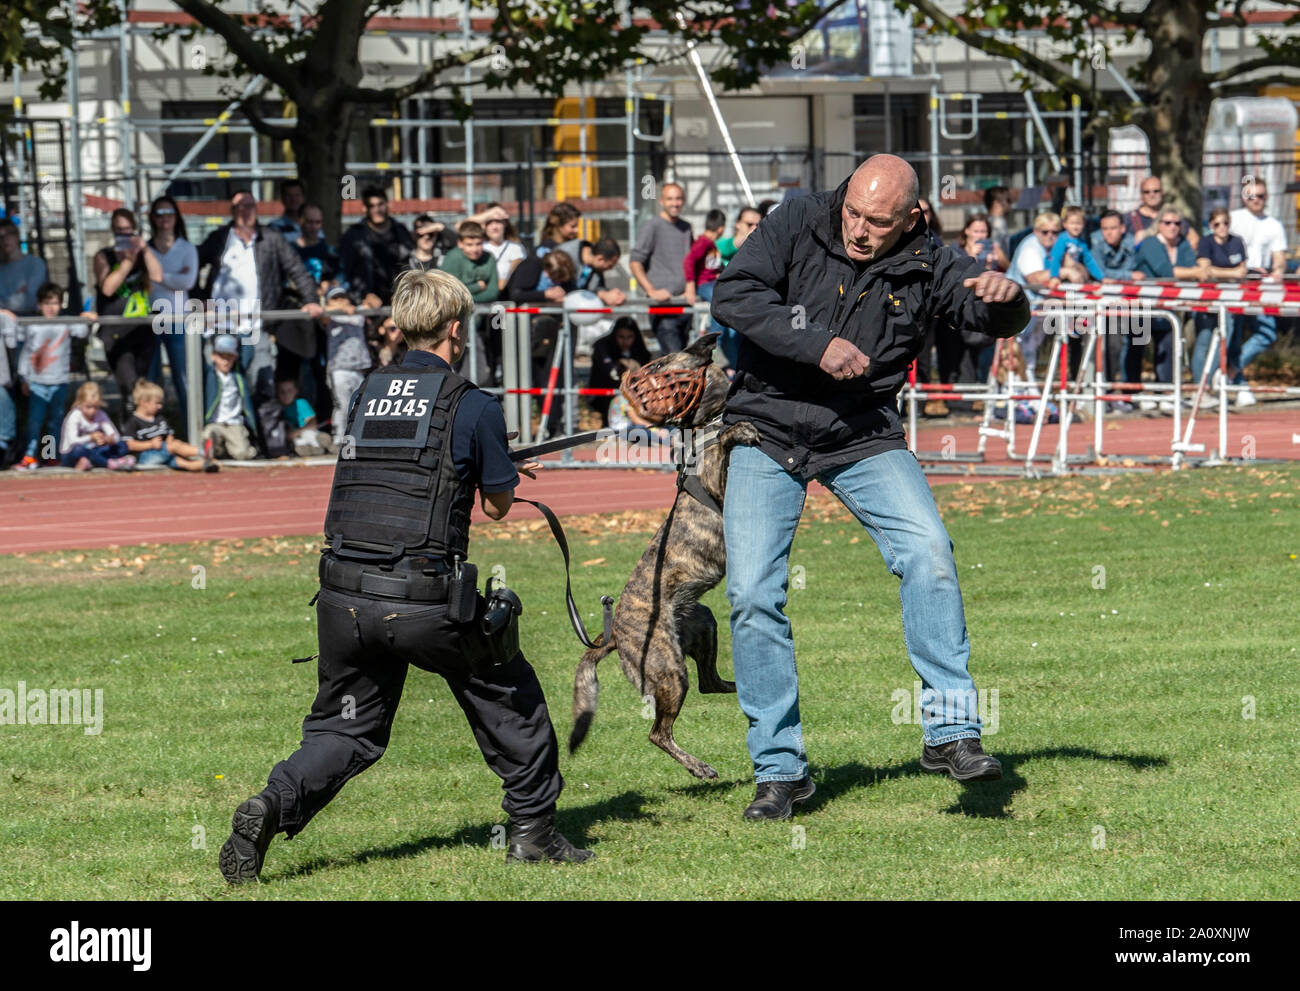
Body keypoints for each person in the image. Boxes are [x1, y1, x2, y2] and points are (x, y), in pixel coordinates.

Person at [219, 268, 592, 883]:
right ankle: (533, 831)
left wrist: (485, 458)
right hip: (423, 600)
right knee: (511, 696)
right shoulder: (473, 403)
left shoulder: (366, 393)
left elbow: (398, 465)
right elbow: (494, 505)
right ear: (455, 328)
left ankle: (271, 804)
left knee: (346, 728)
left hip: (343, 596)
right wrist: (496, 466)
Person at [710, 154, 1029, 820]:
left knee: (930, 555)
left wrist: (1010, 301)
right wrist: (816, 342)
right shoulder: (797, 219)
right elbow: (734, 293)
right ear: (844, 193)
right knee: (751, 594)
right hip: (766, 426)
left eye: (877, 221)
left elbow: (980, 304)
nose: (859, 229)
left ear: (911, 216)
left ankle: (950, 734)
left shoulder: (929, 260)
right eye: (854, 211)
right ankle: (780, 770)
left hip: (862, 432)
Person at [196, 191, 322, 407]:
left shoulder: (271, 238)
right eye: (241, 206)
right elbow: (192, 267)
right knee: (219, 386)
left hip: (257, 325)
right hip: (220, 326)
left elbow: (297, 269)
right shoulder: (220, 238)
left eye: (251, 206)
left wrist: (311, 300)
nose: (246, 211)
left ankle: (260, 438)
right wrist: (200, 302)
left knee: (261, 384)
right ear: (233, 211)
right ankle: (220, 436)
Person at [95, 207, 164, 419]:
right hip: (116, 333)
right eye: (119, 230)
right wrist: (126, 262)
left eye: (128, 230)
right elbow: (107, 288)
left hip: (142, 331)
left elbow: (158, 276)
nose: (124, 235)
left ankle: (140, 435)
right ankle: (130, 438)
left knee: (143, 388)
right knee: (130, 387)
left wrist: (144, 250)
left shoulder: (142, 254)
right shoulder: (104, 256)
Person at [13, 282, 89, 469]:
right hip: (37, 382)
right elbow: (25, 353)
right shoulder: (32, 326)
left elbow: (82, 330)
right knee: (35, 421)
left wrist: (87, 316)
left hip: (59, 381)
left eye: (55, 303)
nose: (51, 307)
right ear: (39, 304)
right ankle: (30, 455)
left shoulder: (65, 323)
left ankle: (50, 455)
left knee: (55, 422)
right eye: (47, 303)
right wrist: (24, 378)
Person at [1230, 176, 1288, 407]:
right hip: (1234, 283)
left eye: (1260, 196)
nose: (1256, 200)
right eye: (1251, 195)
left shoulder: (1273, 225)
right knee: (1232, 336)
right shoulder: (1233, 219)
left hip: (1259, 287)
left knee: (1266, 333)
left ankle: (1231, 372)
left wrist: (1277, 272)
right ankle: (1239, 385)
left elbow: (1280, 259)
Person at [1006, 211, 1084, 376]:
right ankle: (1010, 393)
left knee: (1030, 353)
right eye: (1045, 232)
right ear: (1036, 231)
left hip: (1037, 309)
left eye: (1055, 232)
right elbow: (1034, 278)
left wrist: (1071, 265)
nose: (1050, 236)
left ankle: (1029, 392)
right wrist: (1064, 271)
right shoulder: (1030, 248)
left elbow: (1082, 273)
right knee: (1013, 355)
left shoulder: (1060, 246)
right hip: (1016, 311)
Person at [145, 195, 199, 429]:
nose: (165, 219)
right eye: (159, 214)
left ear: (176, 217)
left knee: (184, 378)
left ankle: (193, 432)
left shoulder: (187, 248)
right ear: (153, 218)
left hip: (179, 318)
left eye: (169, 213)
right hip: (151, 317)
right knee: (152, 378)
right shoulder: (146, 249)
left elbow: (187, 282)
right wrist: (173, 279)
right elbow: (147, 285)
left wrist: (158, 277)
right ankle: (153, 432)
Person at [1132, 208, 1199, 387]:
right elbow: (1165, 271)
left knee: (1168, 347)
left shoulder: (1182, 244)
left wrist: (1193, 272)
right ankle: (1130, 394)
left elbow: (1190, 267)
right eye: (1167, 223)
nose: (1172, 227)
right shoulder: (1150, 243)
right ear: (1159, 225)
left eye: (1177, 223)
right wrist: (1197, 272)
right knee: (1136, 348)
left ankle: (1164, 389)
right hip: (1142, 303)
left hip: (1167, 306)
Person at [629, 182, 693, 353]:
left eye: (678, 198)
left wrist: (690, 287)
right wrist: (651, 291)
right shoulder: (653, 225)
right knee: (675, 361)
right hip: (663, 308)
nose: (675, 203)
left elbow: (690, 262)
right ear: (661, 201)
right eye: (670, 199)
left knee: (685, 359)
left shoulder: (686, 228)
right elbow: (635, 261)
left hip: (684, 305)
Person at [1192, 207, 1248, 402]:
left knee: (1228, 337)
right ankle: (1201, 387)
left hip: (1232, 299)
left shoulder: (1237, 242)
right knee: (1205, 340)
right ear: (1210, 226)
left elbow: (1243, 269)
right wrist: (1231, 274)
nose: (1222, 228)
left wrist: (1220, 272)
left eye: (1225, 223)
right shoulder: (1206, 242)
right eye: (1217, 224)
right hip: (1209, 298)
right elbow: (1205, 270)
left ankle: (1212, 376)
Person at [1089, 209, 1145, 393]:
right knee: (1112, 345)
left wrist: (1125, 277)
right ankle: (1109, 388)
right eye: (1105, 228)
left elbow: (1139, 270)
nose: (1109, 233)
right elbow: (1101, 273)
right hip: (1109, 303)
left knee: (1138, 341)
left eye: (1113, 228)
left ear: (1122, 228)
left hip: (1133, 301)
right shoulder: (1096, 245)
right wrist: (1128, 276)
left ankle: (1132, 389)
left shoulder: (1132, 243)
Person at [439, 220, 499, 384]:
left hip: (479, 324)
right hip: (453, 322)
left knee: (479, 370)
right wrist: (477, 286)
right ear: (460, 243)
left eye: (478, 243)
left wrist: (465, 292)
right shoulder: (453, 258)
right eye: (470, 244)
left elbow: (493, 292)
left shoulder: (488, 258)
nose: (475, 249)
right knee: (452, 366)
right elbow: (449, 291)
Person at [339, 185, 414, 306]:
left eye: (380, 204)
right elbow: (345, 272)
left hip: (399, 302)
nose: (377, 209)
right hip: (366, 304)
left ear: (388, 204)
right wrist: (360, 297)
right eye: (371, 206)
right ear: (364, 208)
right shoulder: (354, 235)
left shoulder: (401, 231)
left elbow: (409, 266)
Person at [122, 379, 215, 471]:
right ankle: (203, 452)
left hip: (164, 452)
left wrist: (169, 440)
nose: (160, 406)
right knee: (175, 445)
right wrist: (150, 444)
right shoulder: (133, 422)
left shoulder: (159, 418)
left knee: (182, 462)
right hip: (145, 456)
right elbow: (130, 445)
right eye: (157, 403)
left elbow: (169, 434)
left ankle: (206, 465)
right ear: (143, 402)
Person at [321, 286, 371, 441]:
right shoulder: (332, 316)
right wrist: (341, 308)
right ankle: (339, 439)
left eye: (343, 297)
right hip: (339, 368)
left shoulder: (356, 313)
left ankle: (357, 438)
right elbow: (322, 313)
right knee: (342, 405)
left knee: (359, 405)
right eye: (335, 298)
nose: (340, 300)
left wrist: (366, 299)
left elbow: (374, 302)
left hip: (359, 368)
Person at [201, 334, 260, 461]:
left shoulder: (239, 374)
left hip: (234, 424)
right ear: (213, 356)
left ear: (236, 358)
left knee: (242, 454)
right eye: (222, 357)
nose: (226, 361)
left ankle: (238, 449)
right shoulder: (209, 375)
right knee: (209, 436)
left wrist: (235, 330)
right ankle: (217, 450)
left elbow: (249, 346)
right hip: (215, 423)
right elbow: (200, 349)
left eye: (230, 357)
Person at [587, 316, 651, 425]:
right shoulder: (602, 347)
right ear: (615, 335)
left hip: (634, 391)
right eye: (621, 337)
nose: (625, 341)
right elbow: (610, 372)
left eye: (629, 337)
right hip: (607, 391)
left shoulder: (640, 350)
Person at [59, 381, 134, 470]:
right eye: (88, 407)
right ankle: (108, 463)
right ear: (80, 403)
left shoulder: (101, 414)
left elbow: (116, 436)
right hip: (72, 453)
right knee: (79, 450)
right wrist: (91, 437)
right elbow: (72, 441)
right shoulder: (74, 416)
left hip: (95, 449)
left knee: (122, 445)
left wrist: (107, 439)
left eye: (96, 407)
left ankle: (89, 462)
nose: (92, 411)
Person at [1126, 176, 1198, 249]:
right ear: (1141, 195)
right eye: (1146, 192)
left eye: (1156, 191)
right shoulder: (1129, 218)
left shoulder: (1173, 215)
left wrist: (1180, 256)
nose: (1152, 195)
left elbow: (1194, 239)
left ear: (1162, 192)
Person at [276, 377, 337, 456]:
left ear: (296, 391)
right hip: (293, 438)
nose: (286, 394)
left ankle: (321, 442)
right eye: (282, 392)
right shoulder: (276, 408)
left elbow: (313, 424)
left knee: (308, 434)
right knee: (297, 442)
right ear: (277, 393)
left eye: (289, 391)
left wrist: (297, 432)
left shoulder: (301, 403)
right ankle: (312, 448)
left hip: (305, 432)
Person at [1046, 206, 1105, 281]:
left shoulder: (1082, 243)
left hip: (1071, 272)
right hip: (1055, 272)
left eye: (1079, 223)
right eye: (1072, 223)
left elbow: (1089, 261)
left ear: (1083, 224)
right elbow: (1056, 258)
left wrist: (1101, 277)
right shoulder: (1062, 239)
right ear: (1065, 224)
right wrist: (1054, 277)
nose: (1075, 227)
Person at [481, 206, 526, 291]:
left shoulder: (516, 248)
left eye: (498, 222)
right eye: (489, 223)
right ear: (484, 226)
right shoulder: (479, 247)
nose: (494, 227)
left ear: (505, 224)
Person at [983, 185, 1013, 256]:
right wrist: (1010, 266)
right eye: (1008, 200)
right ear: (996, 203)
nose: (1011, 203)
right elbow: (996, 252)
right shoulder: (997, 223)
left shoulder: (989, 221)